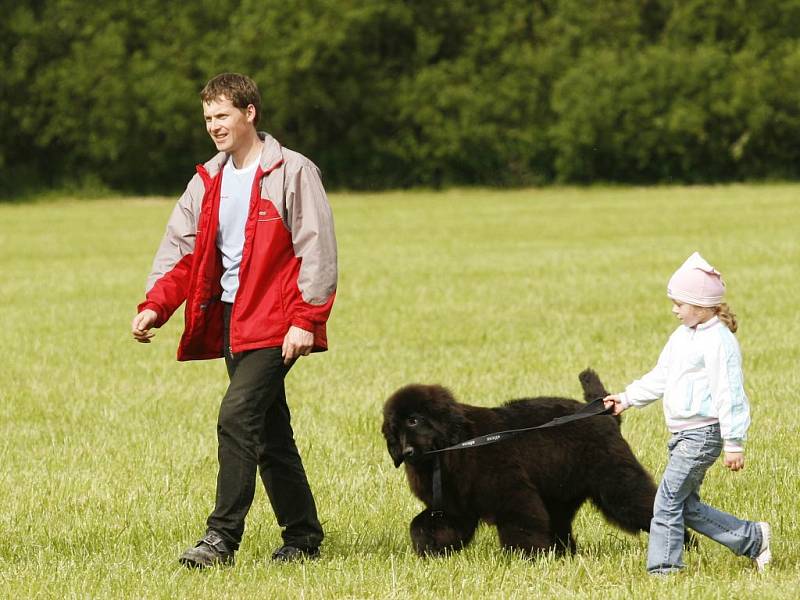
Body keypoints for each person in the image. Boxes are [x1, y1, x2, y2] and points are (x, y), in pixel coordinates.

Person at [131, 73, 337, 568]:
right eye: (207, 118)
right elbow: (184, 253)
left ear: (249, 114)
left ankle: (220, 538)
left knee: (237, 416)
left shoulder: (292, 172)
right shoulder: (208, 180)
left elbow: (318, 249)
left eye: (222, 115)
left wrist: (305, 319)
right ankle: (304, 536)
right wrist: (156, 305)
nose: (214, 126)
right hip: (231, 324)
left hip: (277, 323)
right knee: (269, 433)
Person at [603, 252, 771, 575]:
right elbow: (661, 376)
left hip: (704, 434)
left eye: (679, 303)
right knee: (686, 505)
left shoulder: (719, 343)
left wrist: (734, 441)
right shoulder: (681, 338)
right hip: (682, 435)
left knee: (665, 501)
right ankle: (753, 538)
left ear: (701, 305)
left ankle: (664, 571)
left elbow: (730, 393)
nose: (674, 309)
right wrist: (626, 398)